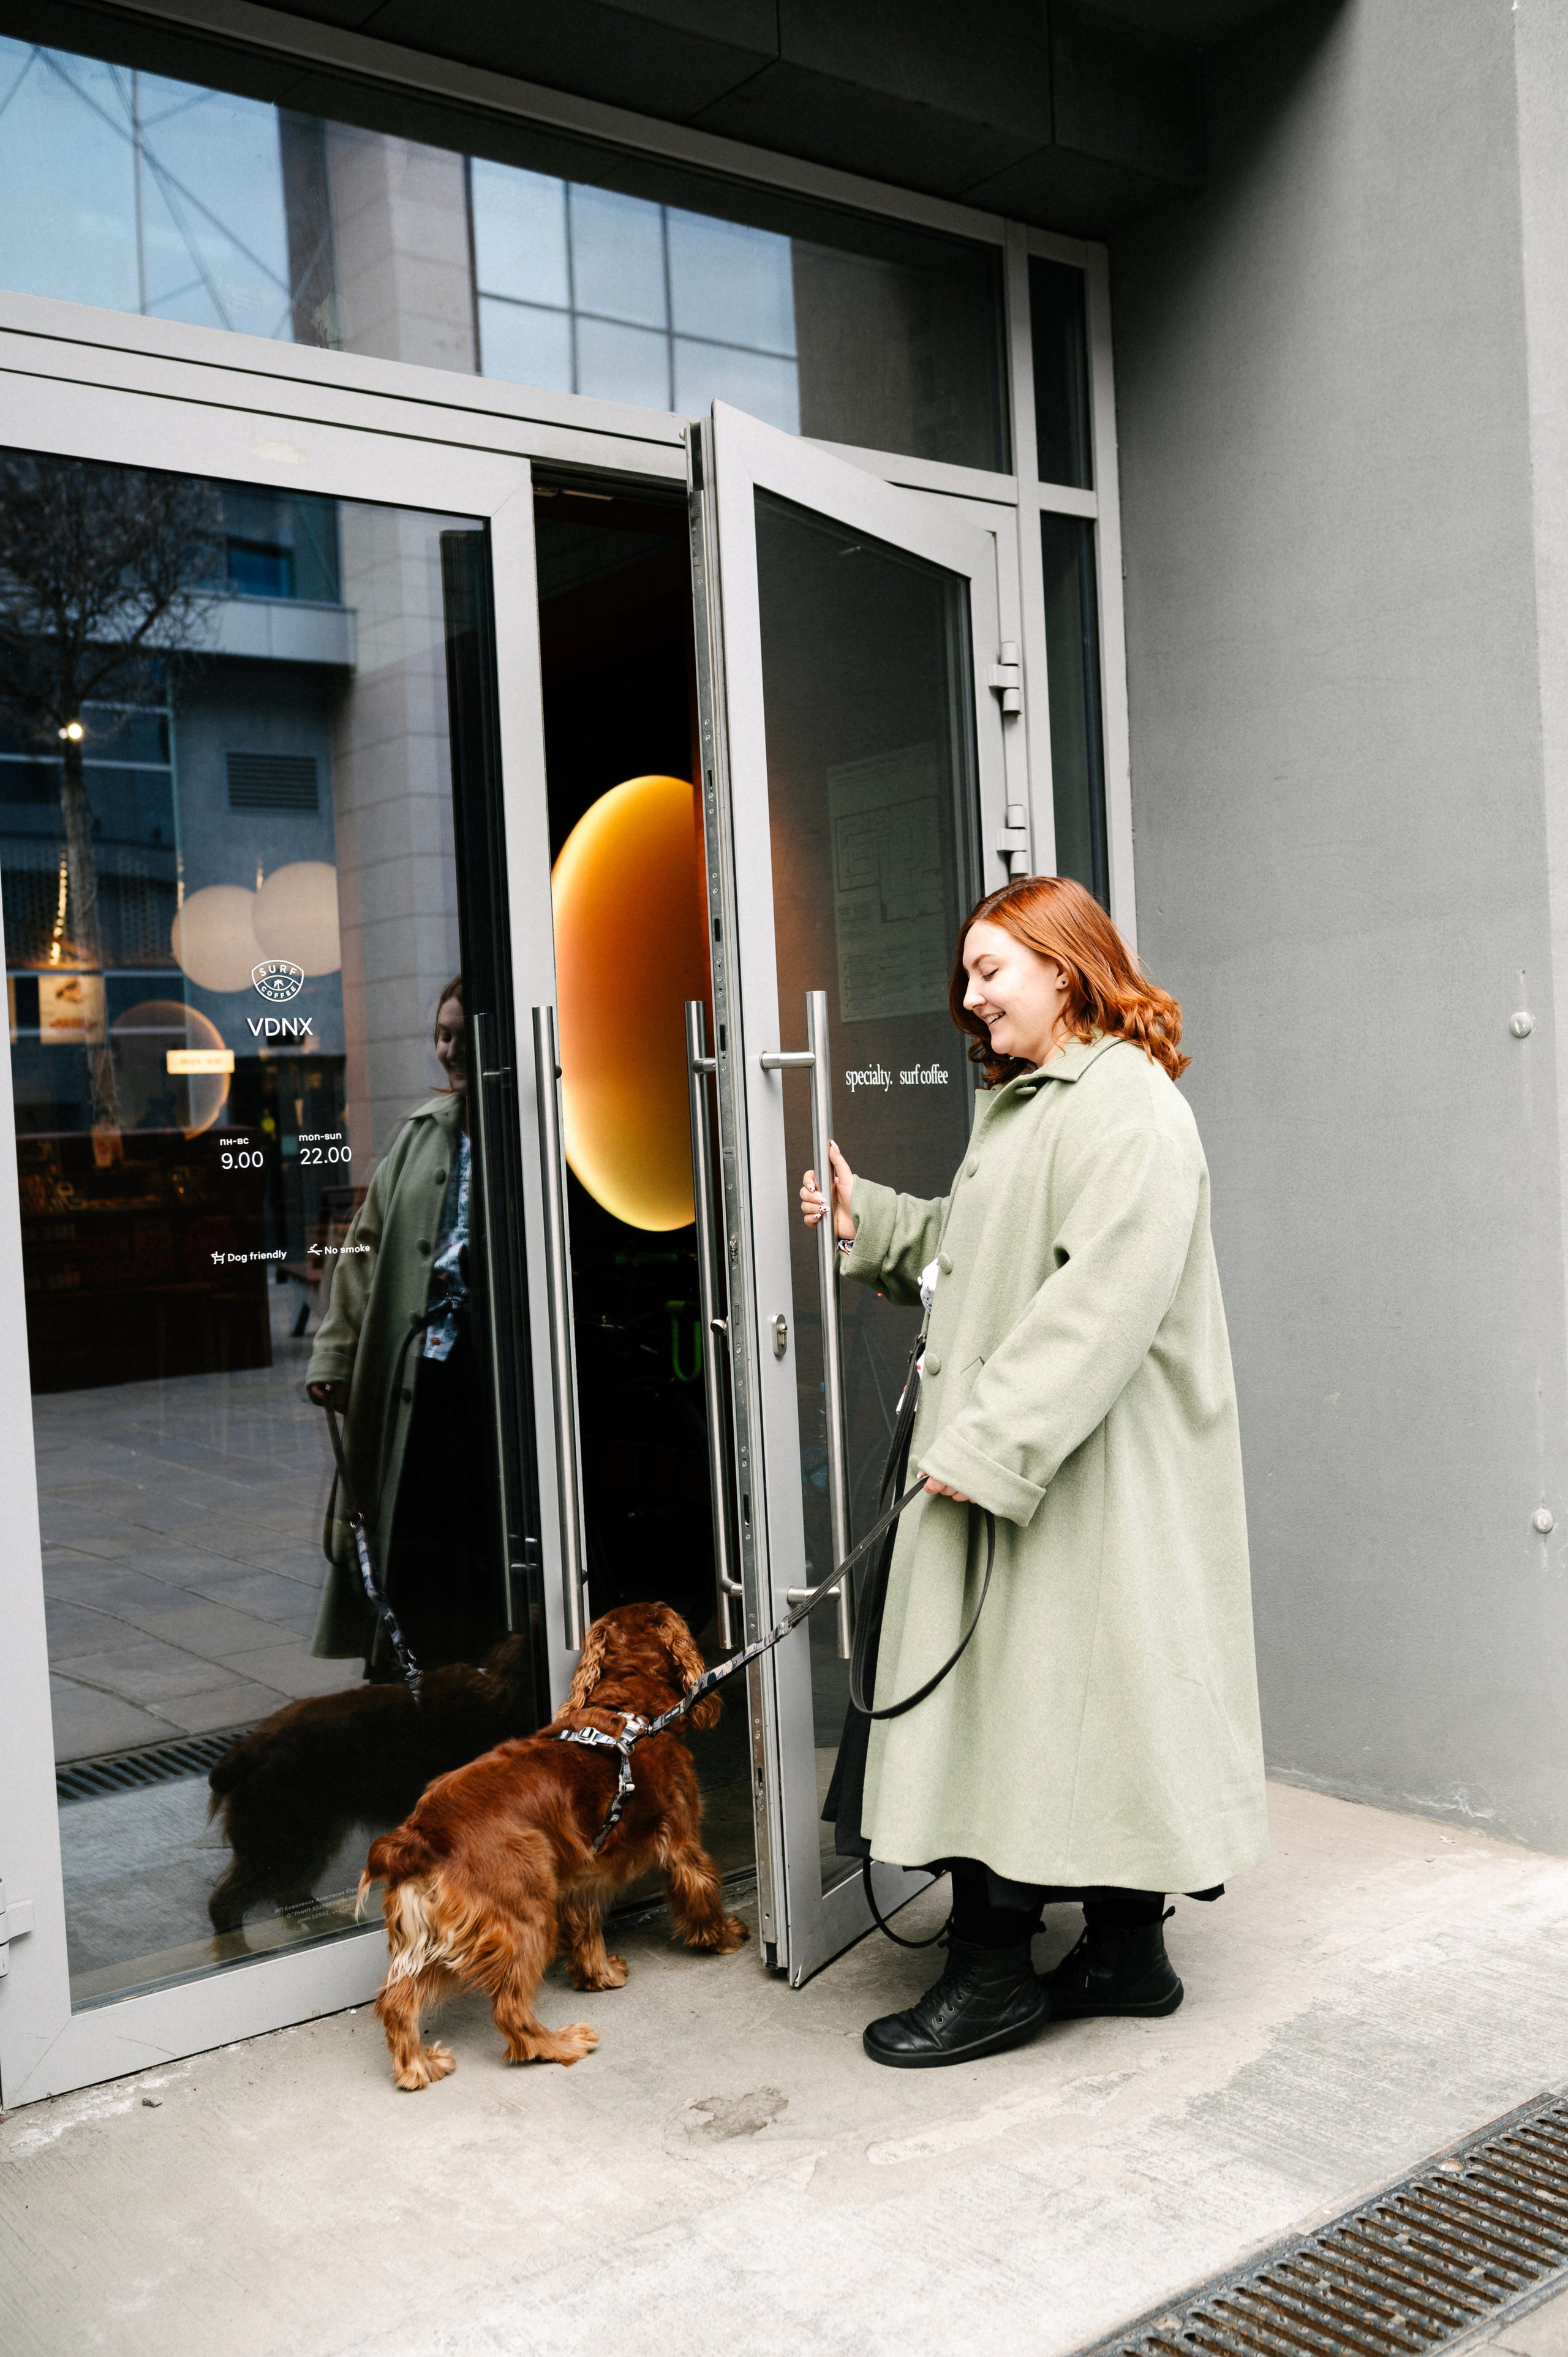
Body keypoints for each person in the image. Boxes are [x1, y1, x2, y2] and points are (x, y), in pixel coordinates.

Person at [801, 875, 1267, 2069]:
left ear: (1063, 970)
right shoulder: (1036, 1100)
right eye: (966, 975)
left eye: (988, 972)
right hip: (1050, 1470)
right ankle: (1124, 1952)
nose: (969, 998)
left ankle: (992, 1970)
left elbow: (1096, 1306)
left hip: (1066, 1476)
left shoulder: (1126, 1111)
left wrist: (985, 1444)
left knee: (1011, 1713)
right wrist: (874, 1221)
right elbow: (980, 1254)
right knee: (1076, 1707)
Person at [307, 977, 502, 1678]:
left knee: (481, 1544)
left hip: (495, 1383)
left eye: (459, 1034)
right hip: (421, 1376)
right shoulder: (420, 1135)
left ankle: (484, 1688)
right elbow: (362, 1252)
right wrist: (332, 1357)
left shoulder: (537, 1133)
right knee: (414, 1537)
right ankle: (410, 1685)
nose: (447, 1049)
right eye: (441, 1034)